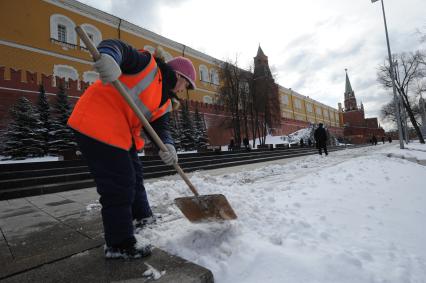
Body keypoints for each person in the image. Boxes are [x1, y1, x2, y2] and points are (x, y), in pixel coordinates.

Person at [67, 39, 196, 259]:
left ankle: (142, 216)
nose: (184, 91)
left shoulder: (164, 101)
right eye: (187, 85)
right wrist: (108, 57)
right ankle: (119, 243)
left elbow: (161, 130)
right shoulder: (147, 66)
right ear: (179, 76)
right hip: (97, 122)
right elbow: (119, 47)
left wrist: (168, 146)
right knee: (119, 183)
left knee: (135, 176)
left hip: (120, 134)